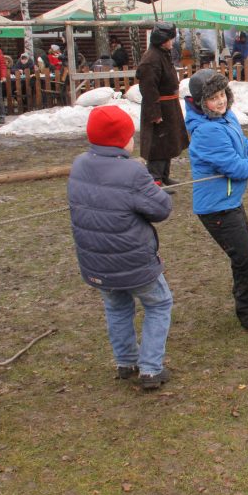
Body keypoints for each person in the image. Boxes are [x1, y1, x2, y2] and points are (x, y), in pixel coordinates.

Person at [67, 106, 174, 390]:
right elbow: (161, 209)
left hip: (97, 262)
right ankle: (150, 368)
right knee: (158, 303)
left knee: (116, 307)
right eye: (130, 136)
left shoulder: (78, 164)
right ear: (122, 140)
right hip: (133, 261)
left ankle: (126, 361)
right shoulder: (133, 171)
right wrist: (152, 188)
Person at [184, 69, 248, 336]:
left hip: (230, 201)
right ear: (199, 102)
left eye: (222, 95)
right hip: (216, 208)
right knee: (245, 259)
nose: (220, 102)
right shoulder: (206, 131)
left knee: (247, 251)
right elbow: (235, 166)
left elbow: (244, 145)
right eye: (213, 98)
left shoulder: (225, 118)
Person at [136, 23, 189, 189]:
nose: (171, 43)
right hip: (159, 107)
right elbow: (148, 89)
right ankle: (155, 181)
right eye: (168, 40)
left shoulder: (162, 54)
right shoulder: (151, 59)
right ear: (161, 40)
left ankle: (164, 176)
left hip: (169, 106)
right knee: (158, 146)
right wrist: (155, 113)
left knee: (168, 144)